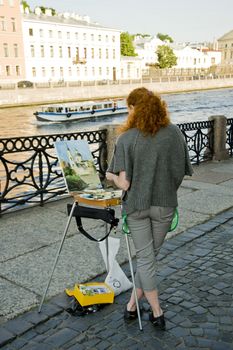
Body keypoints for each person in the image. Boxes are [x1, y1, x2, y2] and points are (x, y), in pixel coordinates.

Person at [106, 87, 193, 330]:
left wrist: (110, 176)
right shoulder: (174, 133)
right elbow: (180, 172)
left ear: (135, 109)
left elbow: (124, 183)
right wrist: (166, 190)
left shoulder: (126, 138)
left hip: (136, 206)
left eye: (129, 108)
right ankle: (132, 305)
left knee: (146, 259)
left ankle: (156, 311)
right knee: (149, 258)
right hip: (164, 205)